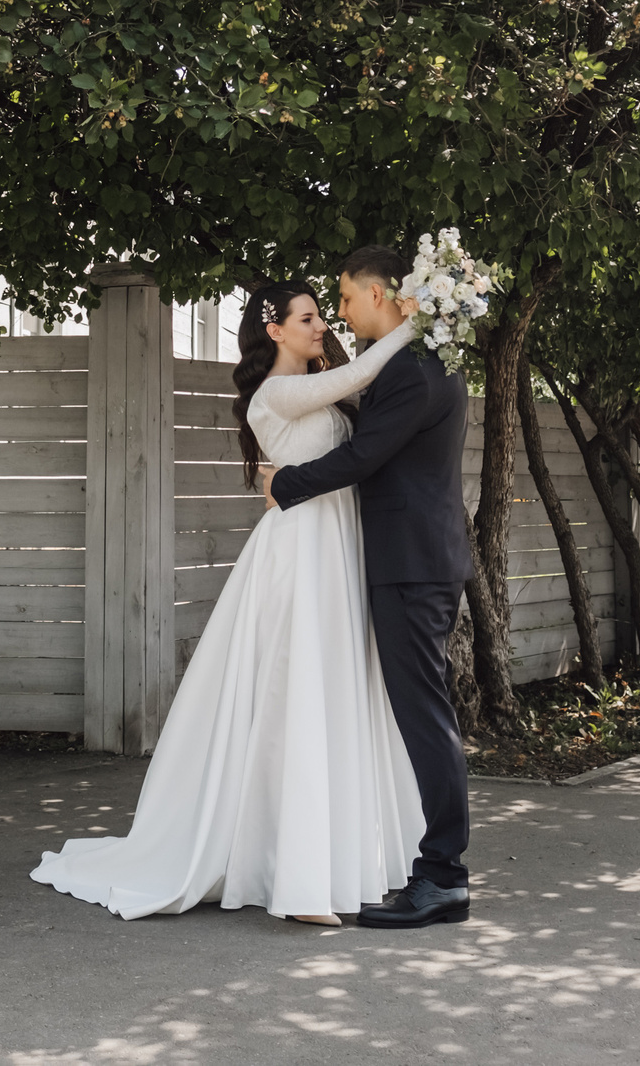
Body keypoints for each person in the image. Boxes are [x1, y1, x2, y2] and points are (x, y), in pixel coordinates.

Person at [30, 276, 424, 924]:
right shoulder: (275, 394)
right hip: (300, 552)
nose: (321, 324)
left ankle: (331, 858)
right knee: (293, 699)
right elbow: (361, 375)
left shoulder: (318, 381)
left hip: (335, 547)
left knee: (331, 694)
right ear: (275, 330)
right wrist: (420, 317)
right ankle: (297, 881)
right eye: (308, 316)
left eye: (322, 314)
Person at [264, 244, 474, 929]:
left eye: (347, 299)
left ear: (380, 295)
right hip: (414, 560)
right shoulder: (417, 363)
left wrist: (283, 485)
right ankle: (433, 868)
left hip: (412, 565)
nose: (342, 314)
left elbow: (362, 455)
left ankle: (443, 875)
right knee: (419, 715)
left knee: (425, 717)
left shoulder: (413, 372)